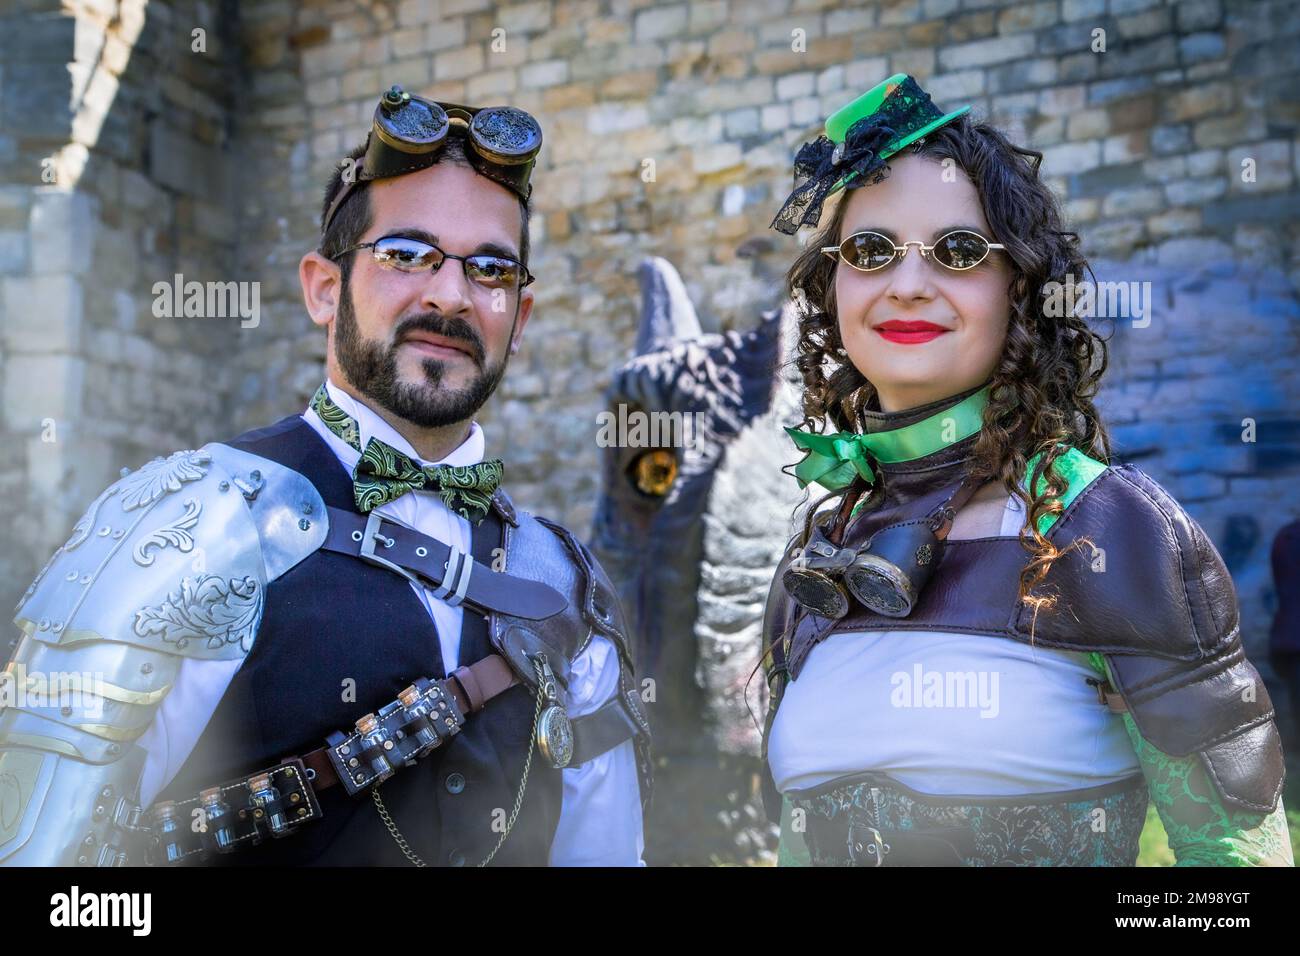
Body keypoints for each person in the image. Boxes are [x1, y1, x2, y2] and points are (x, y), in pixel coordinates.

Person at [0, 86, 651, 867]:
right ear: (323, 287)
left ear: (521, 315)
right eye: (407, 255)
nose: (451, 294)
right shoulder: (186, 524)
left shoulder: (565, 585)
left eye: (491, 270)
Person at [759, 73, 1292, 866]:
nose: (908, 283)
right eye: (870, 252)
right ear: (831, 285)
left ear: (1019, 285)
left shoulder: (1113, 528)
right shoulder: (818, 550)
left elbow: (1234, 869)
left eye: (958, 251)